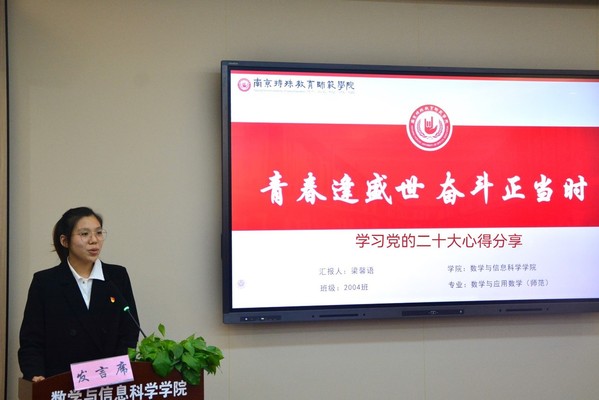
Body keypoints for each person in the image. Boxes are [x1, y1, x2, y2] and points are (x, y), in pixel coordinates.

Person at [18, 207, 140, 382]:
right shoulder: (45, 282)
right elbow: (31, 339)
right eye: (84, 234)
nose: (94, 240)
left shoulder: (116, 277)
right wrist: (35, 374)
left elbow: (129, 330)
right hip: (61, 381)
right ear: (64, 241)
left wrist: (116, 370)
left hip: (107, 380)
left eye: (99, 233)